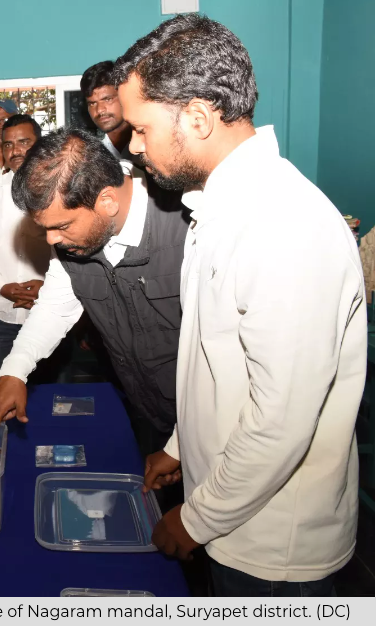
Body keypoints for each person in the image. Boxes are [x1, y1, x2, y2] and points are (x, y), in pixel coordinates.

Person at [114, 14, 365, 596]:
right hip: (233, 514)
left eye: (142, 127)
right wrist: (180, 447)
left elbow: (281, 420)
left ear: (198, 118)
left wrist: (197, 519)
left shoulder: (282, 223)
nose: (133, 145)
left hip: (274, 548)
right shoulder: (220, 207)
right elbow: (217, 362)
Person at [0, 127, 189, 460]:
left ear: (107, 201)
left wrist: (180, 446)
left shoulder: (187, 223)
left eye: (61, 226)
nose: (51, 240)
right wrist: (14, 370)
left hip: (204, 422)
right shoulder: (72, 240)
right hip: (145, 407)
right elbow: (55, 307)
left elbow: (225, 358)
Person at [0, 115, 50, 378]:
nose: (15, 150)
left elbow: (70, 249)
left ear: (40, 144)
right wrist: (1, 286)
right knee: (3, 393)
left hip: (49, 311)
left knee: (50, 398)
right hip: (0, 315)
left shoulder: (59, 189)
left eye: (24, 142)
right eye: (8, 144)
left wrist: (47, 287)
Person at [81, 61, 137, 163]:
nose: (99, 110)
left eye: (107, 99)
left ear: (125, 96)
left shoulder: (149, 145)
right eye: (92, 103)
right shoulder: (90, 157)